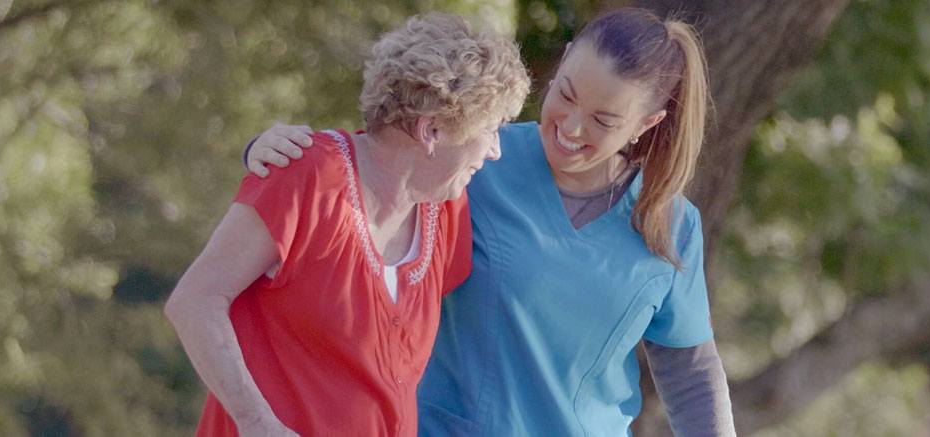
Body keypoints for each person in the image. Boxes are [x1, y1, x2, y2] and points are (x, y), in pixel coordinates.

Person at [244, 8, 734, 436]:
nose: (571, 127)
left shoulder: (670, 225)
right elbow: (364, 173)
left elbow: (690, 372)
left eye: (604, 121)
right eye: (565, 94)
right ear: (561, 61)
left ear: (647, 124)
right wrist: (268, 151)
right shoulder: (477, 158)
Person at [164, 13, 529, 437]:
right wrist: (255, 421)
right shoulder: (308, 176)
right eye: (490, 130)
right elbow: (194, 302)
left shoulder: (444, 209)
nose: (496, 151)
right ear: (431, 130)